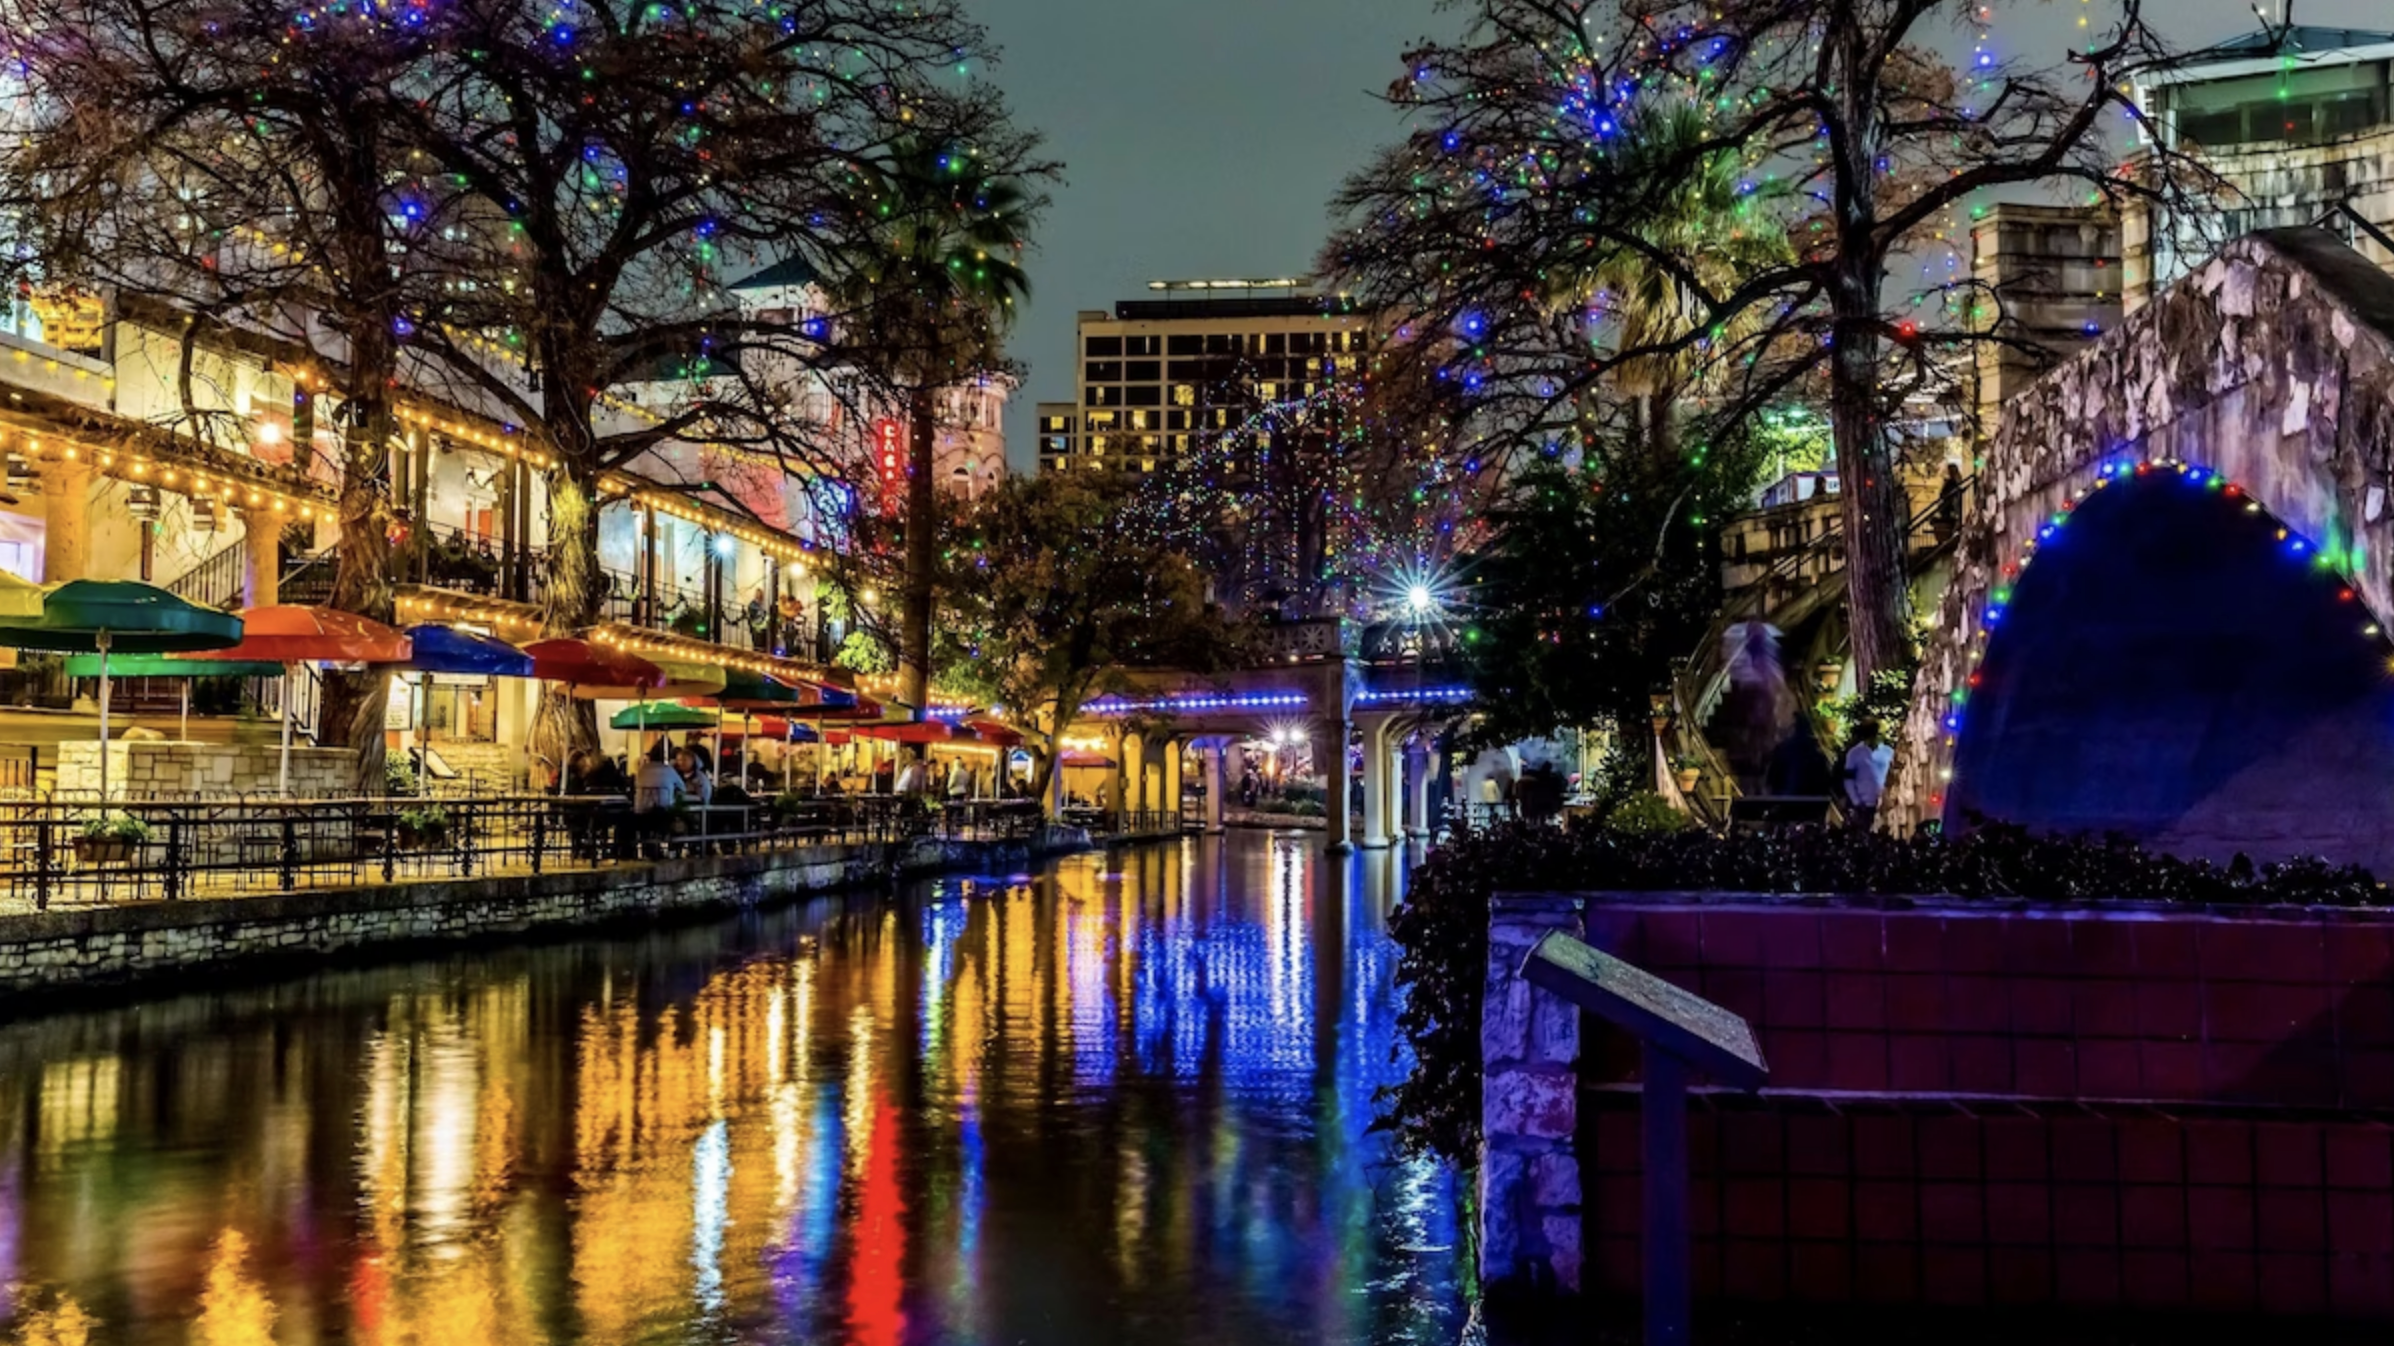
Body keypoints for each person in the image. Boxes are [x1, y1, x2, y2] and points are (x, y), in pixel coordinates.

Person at [1842, 718, 1894, 831]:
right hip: (1863, 805)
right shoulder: (1854, 753)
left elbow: (1892, 777)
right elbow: (1848, 780)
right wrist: (1856, 801)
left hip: (1883, 805)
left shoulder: (1887, 752)